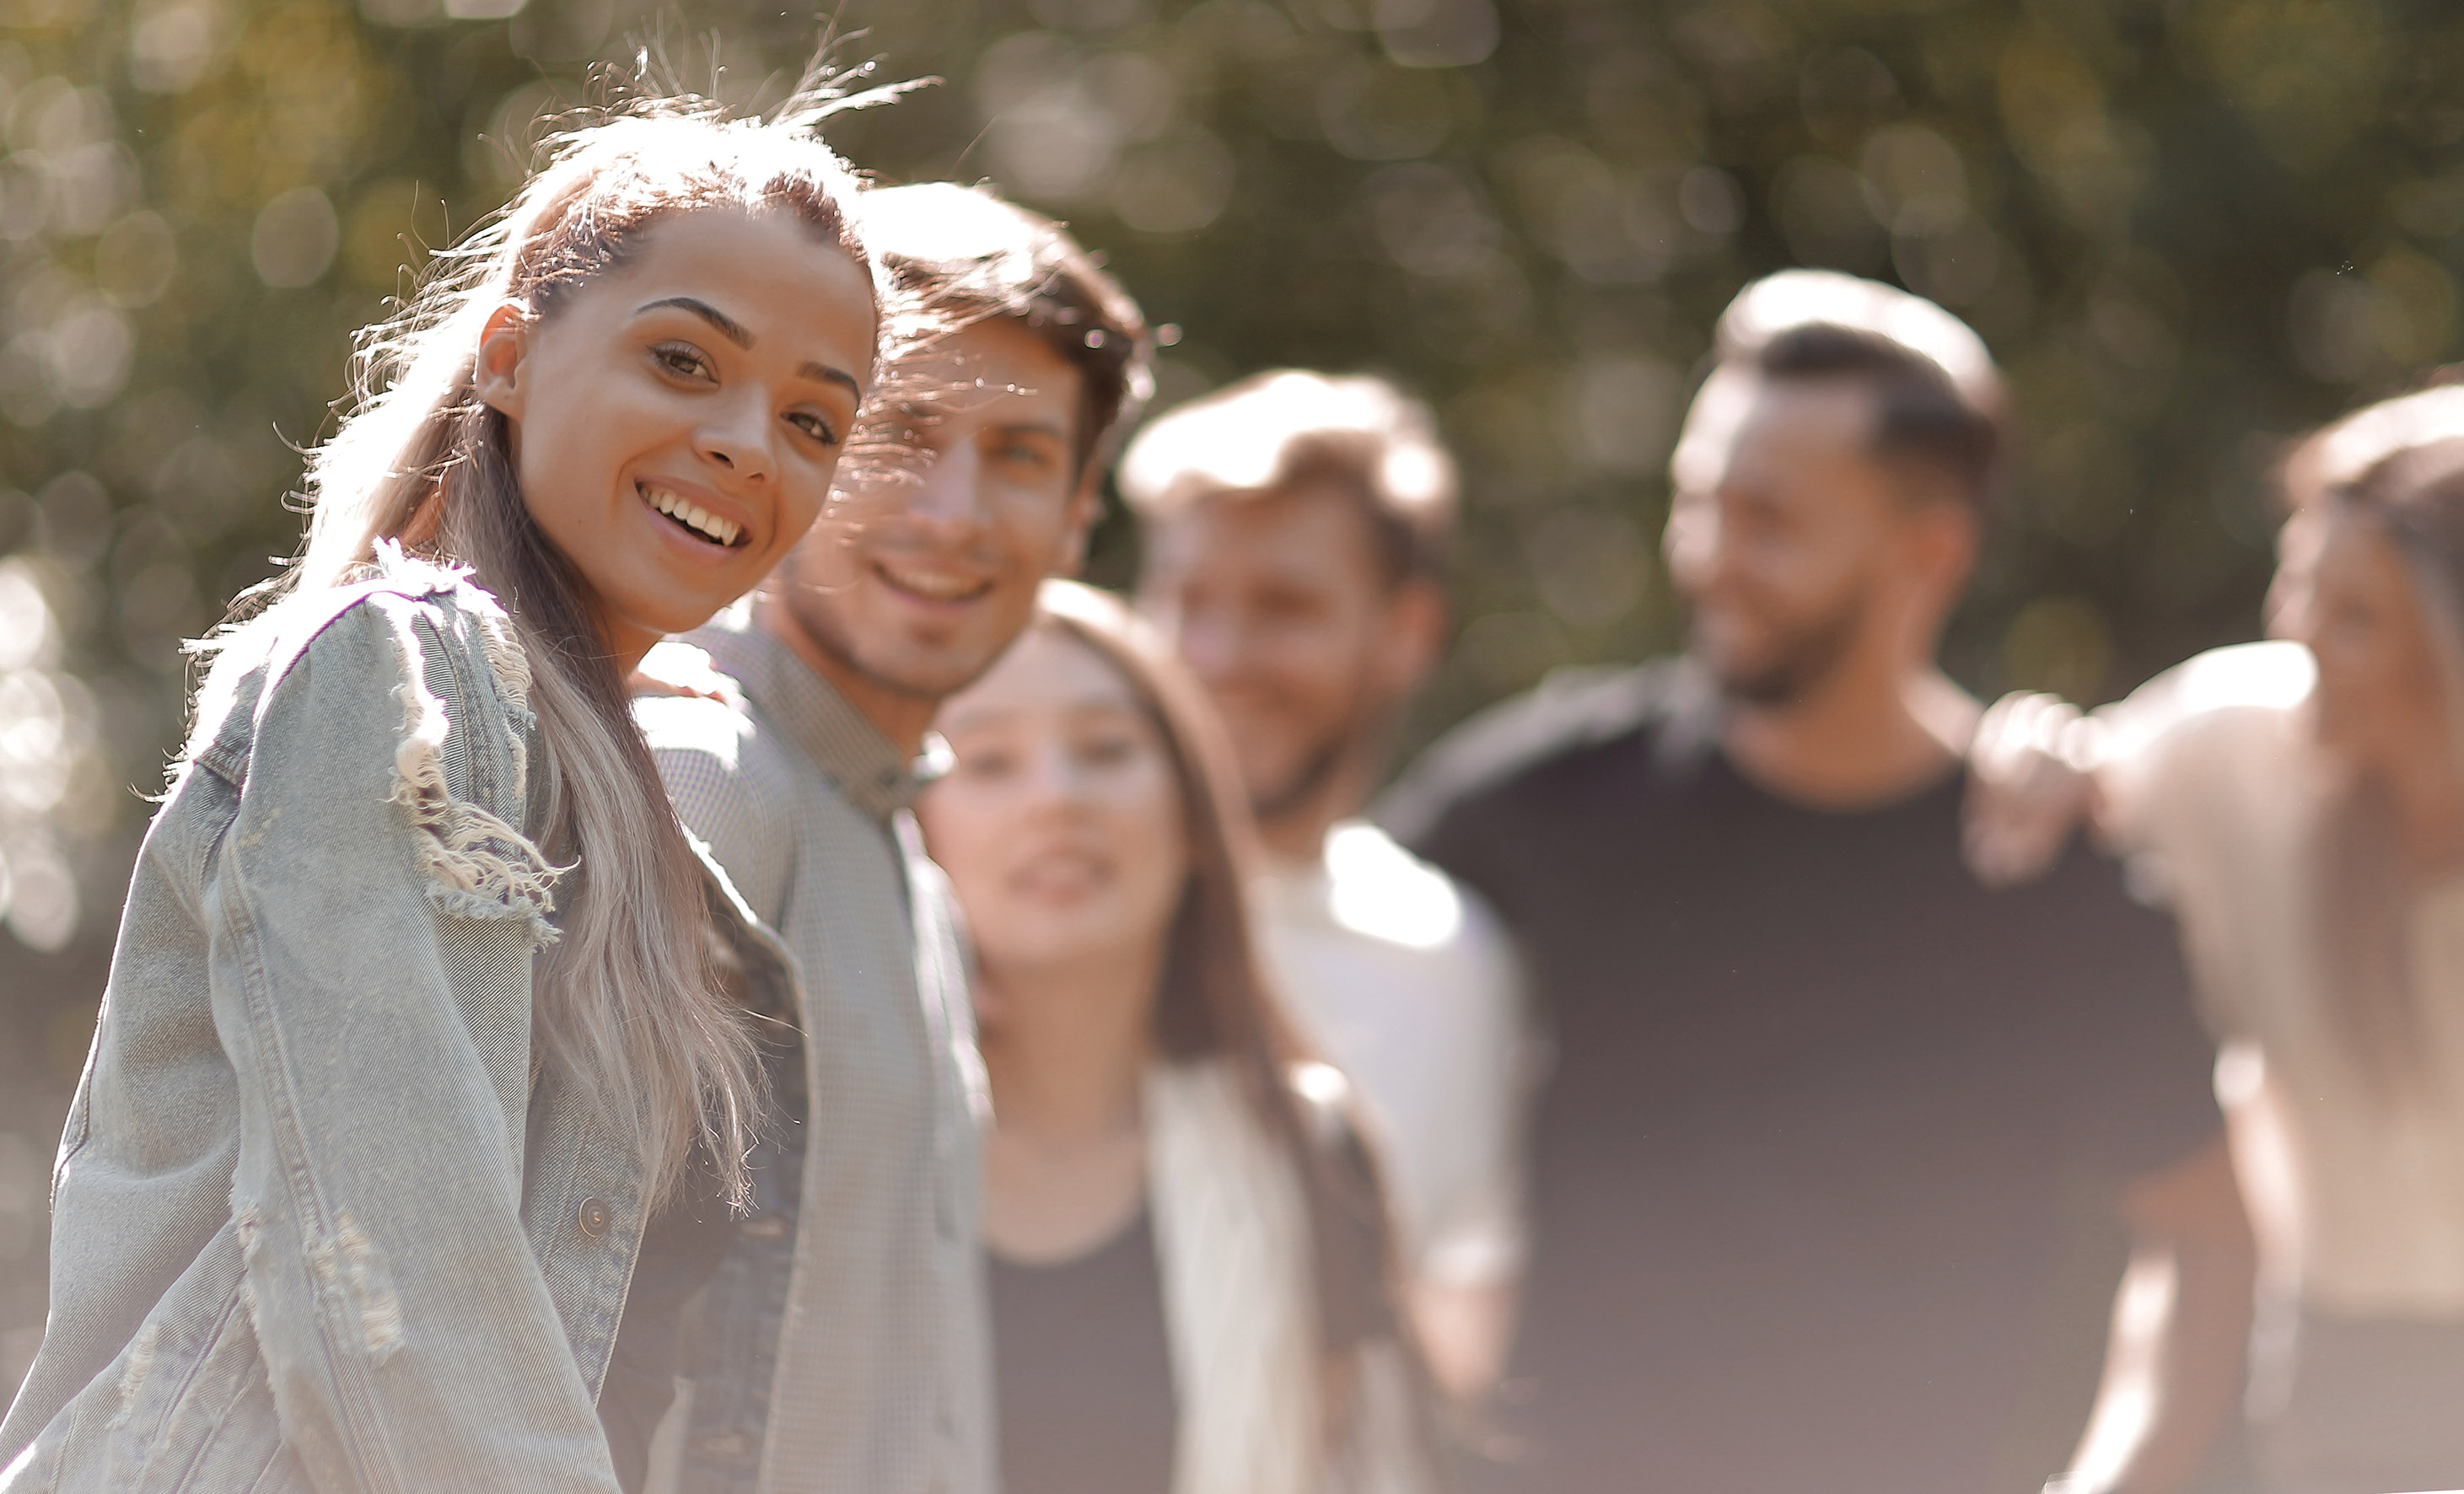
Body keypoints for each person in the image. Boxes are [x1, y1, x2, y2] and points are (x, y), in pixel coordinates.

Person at [0, 94, 895, 1491]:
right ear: (512, 359)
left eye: (811, 421)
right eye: (680, 359)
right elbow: (395, 1291)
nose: (746, 443)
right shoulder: (392, 680)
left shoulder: (633, 805)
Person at [1377, 269, 2255, 1494]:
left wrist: (2116, 1479)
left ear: (1927, 551)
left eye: (1768, 521)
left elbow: (2206, 1232)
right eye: (1697, 504)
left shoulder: (2040, 878)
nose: (1707, 558)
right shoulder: (1546, 801)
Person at [628, 181, 1151, 1494]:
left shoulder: (901, 847)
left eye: (1020, 456)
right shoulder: (698, 787)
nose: (955, 513)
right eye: (903, 434)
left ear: (1079, 514)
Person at [1966, 383, 2464, 1494]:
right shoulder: (2229, 744)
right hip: (2339, 1370)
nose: (2294, 633)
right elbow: (2065, 785)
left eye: (2356, 618)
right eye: (2294, 581)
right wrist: (2034, 754)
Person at [916, 579, 1436, 1494]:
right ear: (916, 827)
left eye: (1107, 748)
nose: (1057, 798)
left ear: (1193, 816)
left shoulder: (1311, 1150)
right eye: (991, 759)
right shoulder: (821, 1155)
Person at [1122, 371, 1529, 1402]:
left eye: (1284, 606)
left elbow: (1448, 1336)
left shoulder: (1452, 956)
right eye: (1185, 599)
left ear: (1407, 631)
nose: (1215, 657)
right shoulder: (1026, 898)